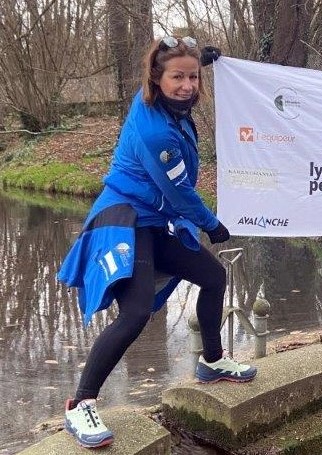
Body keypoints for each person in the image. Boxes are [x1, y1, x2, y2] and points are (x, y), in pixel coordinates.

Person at [57, 36, 256, 449]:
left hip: (155, 218)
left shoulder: (161, 102)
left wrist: (206, 60)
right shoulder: (155, 133)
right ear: (156, 78)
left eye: (193, 76)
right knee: (133, 316)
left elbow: (174, 196)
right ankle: (80, 404)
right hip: (126, 219)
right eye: (177, 77)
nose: (187, 85)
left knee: (213, 277)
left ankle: (212, 362)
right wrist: (211, 224)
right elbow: (182, 192)